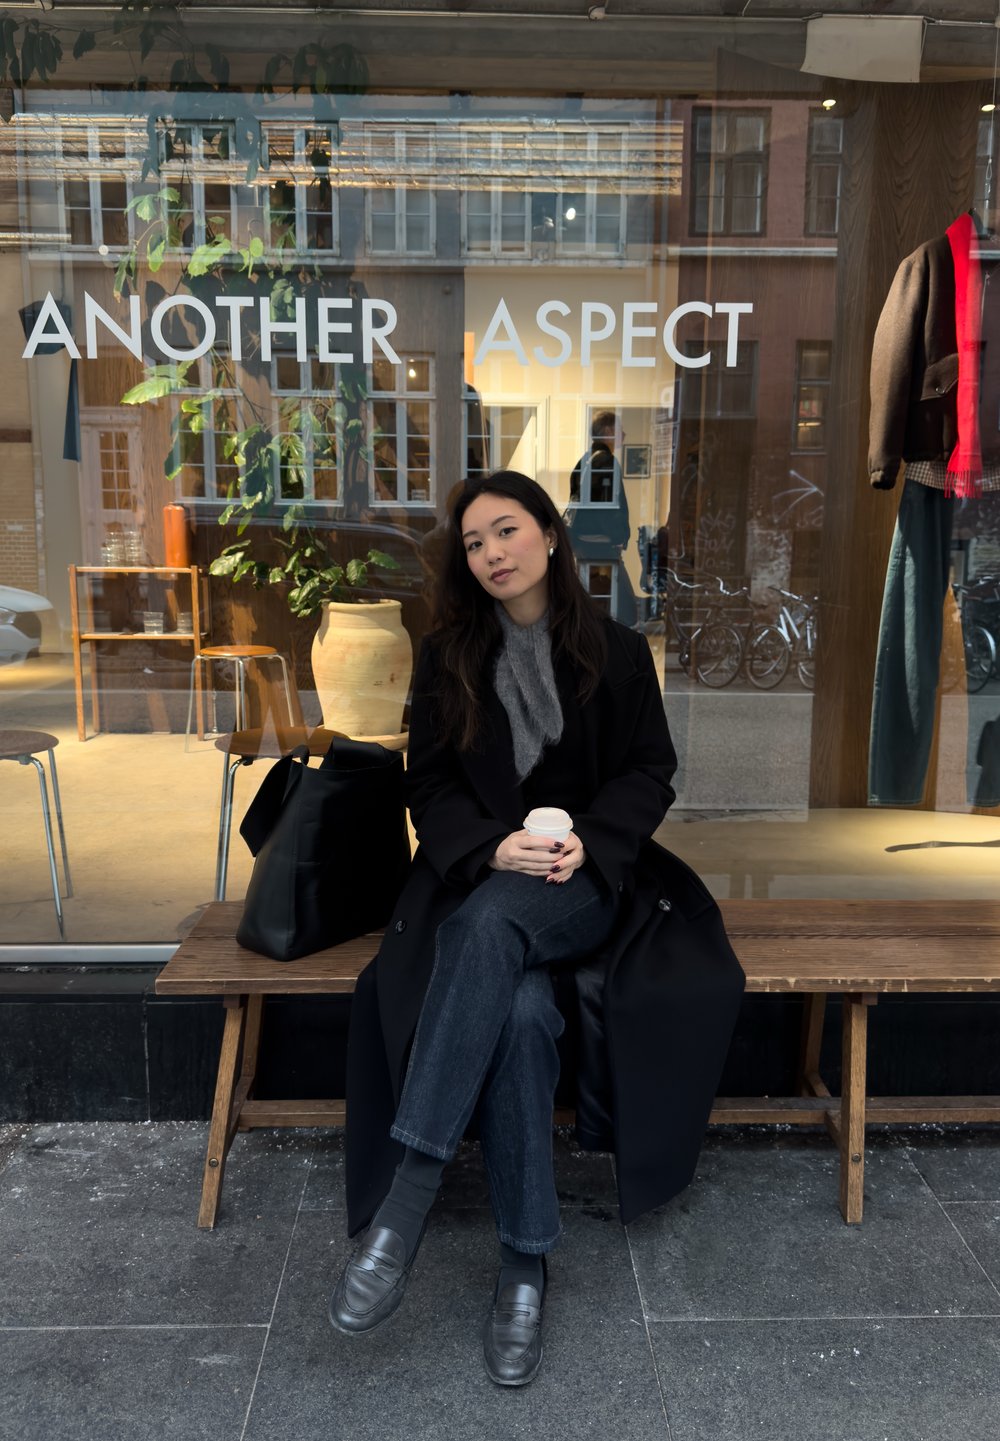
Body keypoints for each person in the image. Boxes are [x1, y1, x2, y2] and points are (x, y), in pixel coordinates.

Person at [331, 470, 744, 1386]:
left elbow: (650, 768)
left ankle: (407, 1203)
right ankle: (525, 1261)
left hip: (584, 880)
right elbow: (428, 785)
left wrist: (586, 844)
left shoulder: (620, 651)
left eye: (506, 531)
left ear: (551, 537)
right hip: (483, 879)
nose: (490, 555)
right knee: (515, 1008)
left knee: (487, 935)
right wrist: (491, 849)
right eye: (474, 543)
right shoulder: (448, 658)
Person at [566, 411, 637, 626]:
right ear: (607, 432)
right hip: (600, 543)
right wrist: (619, 535)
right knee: (624, 605)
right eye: (619, 430)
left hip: (582, 542)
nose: (623, 435)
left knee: (596, 595)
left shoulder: (584, 461)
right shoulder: (606, 461)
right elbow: (608, 506)